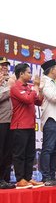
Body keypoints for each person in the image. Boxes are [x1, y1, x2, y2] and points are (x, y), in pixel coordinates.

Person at [10, 63, 44, 189]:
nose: (30, 74)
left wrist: (39, 89)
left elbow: (39, 101)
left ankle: (28, 178)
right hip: (19, 125)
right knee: (20, 154)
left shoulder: (29, 87)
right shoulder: (15, 87)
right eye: (28, 72)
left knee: (30, 153)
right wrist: (35, 86)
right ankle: (20, 179)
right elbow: (28, 100)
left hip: (30, 125)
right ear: (21, 74)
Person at [0, 57, 15, 189]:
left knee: (8, 152)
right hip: (1, 121)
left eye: (6, 65)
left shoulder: (9, 81)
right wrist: (8, 89)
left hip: (11, 121)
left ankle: (5, 178)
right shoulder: (7, 85)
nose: (4, 67)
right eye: (2, 65)